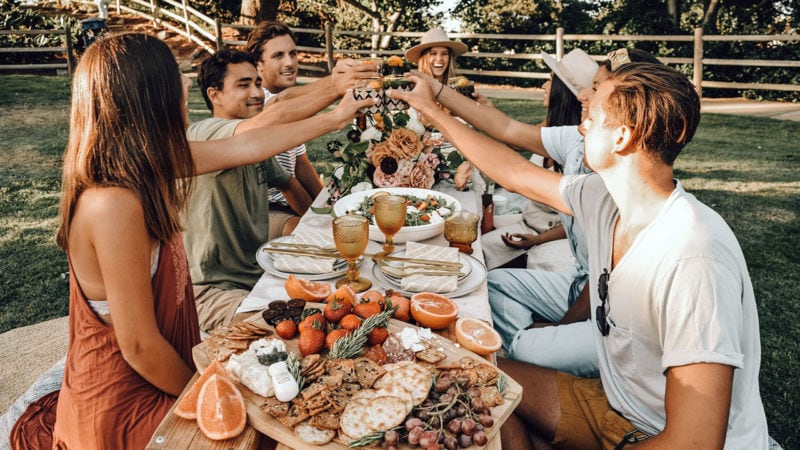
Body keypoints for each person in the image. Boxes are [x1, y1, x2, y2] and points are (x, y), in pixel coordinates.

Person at [7, 32, 372, 449]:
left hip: (165, 368)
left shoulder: (151, 162)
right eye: (176, 79)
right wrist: (207, 389)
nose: (184, 88)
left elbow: (248, 145)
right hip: (126, 400)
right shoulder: (112, 205)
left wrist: (337, 116)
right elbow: (140, 346)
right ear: (152, 98)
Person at [391, 62, 768, 448]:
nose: (581, 125)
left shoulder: (692, 256)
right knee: (474, 375)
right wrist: (434, 110)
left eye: (591, 115)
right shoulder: (604, 197)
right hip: (616, 407)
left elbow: (694, 442)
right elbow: (515, 171)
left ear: (622, 137)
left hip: (658, 435)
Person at [186, 48, 378, 333]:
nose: (256, 93)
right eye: (243, 85)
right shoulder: (205, 133)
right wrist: (336, 103)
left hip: (258, 274)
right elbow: (270, 117)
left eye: (257, 84)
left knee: (351, 291)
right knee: (306, 326)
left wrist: (320, 228)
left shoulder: (257, 145)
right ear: (214, 95)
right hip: (211, 292)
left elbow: (288, 184)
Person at [245, 21, 327, 238]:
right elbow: (285, 184)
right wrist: (317, 219)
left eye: (293, 53)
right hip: (263, 210)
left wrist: (329, 204)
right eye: (278, 56)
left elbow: (300, 164)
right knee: (313, 236)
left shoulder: (286, 105)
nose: (290, 62)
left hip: (289, 205)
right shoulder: (261, 102)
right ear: (258, 64)